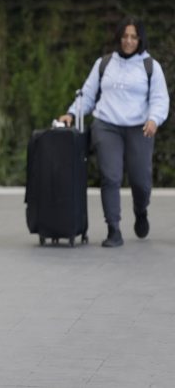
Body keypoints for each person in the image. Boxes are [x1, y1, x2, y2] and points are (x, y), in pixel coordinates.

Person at [58, 16, 169, 248]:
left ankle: (141, 211)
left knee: (141, 181)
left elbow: (160, 98)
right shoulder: (105, 63)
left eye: (133, 37)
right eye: (125, 36)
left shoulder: (151, 66)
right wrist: (71, 113)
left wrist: (154, 119)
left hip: (140, 128)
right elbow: (88, 94)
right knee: (111, 177)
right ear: (119, 37)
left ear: (140, 39)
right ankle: (114, 229)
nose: (128, 41)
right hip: (106, 125)